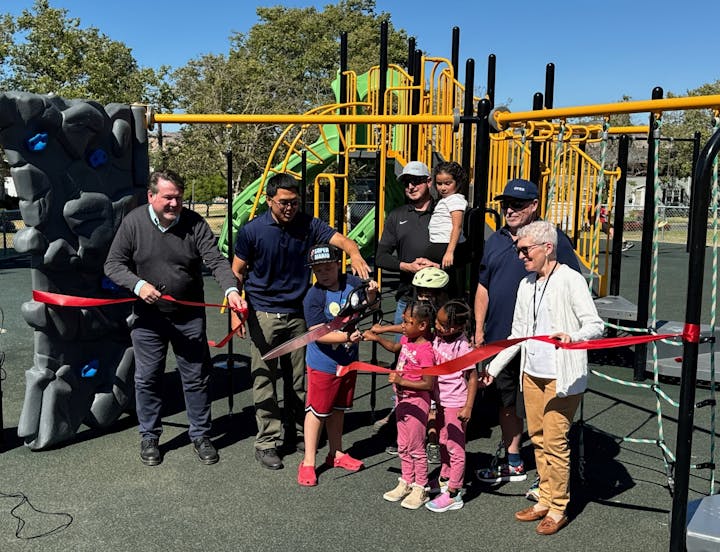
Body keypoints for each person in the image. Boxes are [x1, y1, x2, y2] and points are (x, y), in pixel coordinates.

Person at [104, 169, 244, 466]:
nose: (174, 203)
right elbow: (113, 264)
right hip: (148, 318)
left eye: (178, 198)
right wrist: (139, 286)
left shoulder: (194, 223)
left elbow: (216, 260)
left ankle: (201, 435)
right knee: (148, 378)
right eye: (168, 197)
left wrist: (231, 289)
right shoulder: (134, 223)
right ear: (151, 196)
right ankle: (150, 436)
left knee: (196, 377)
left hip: (188, 316)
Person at [232, 172, 369, 471]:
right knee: (264, 377)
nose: (290, 208)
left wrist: (355, 254)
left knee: (297, 380)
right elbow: (238, 270)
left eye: (294, 202)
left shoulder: (308, 224)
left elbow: (342, 240)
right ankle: (267, 441)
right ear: (269, 200)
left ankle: (298, 431)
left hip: (297, 313)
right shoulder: (253, 231)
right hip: (263, 313)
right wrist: (235, 310)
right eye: (283, 202)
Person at [481, 221, 604, 535]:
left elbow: (596, 326)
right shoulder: (526, 285)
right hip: (532, 374)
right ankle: (544, 499)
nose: (521, 256)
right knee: (537, 439)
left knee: (555, 441)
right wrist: (493, 369)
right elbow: (518, 335)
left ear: (547, 248)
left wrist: (573, 337)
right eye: (518, 250)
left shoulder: (571, 280)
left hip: (561, 376)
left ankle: (559, 506)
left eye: (525, 250)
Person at [474, 178, 581, 498]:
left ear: (534, 205)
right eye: (506, 203)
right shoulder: (494, 240)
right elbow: (483, 286)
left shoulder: (552, 240)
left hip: (541, 343)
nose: (509, 209)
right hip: (503, 338)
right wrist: (480, 330)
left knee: (545, 407)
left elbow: (571, 282)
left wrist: (567, 333)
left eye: (518, 204)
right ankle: (515, 460)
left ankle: (547, 477)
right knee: (507, 402)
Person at [297, 244, 378, 487]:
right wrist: (345, 337)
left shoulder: (352, 283)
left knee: (339, 408)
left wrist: (372, 294)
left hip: (347, 360)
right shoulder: (314, 296)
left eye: (328, 267)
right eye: (318, 269)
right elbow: (317, 334)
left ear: (338, 265)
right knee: (316, 411)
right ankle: (309, 461)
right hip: (324, 363)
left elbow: (369, 307)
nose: (324, 273)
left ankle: (337, 452)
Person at [374, 160, 438, 454]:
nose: (410, 186)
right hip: (407, 298)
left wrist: (437, 265)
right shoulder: (397, 215)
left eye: (416, 180)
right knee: (406, 359)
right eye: (406, 181)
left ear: (429, 181)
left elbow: (463, 250)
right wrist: (407, 266)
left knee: (437, 362)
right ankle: (404, 420)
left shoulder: (444, 211)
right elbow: (381, 255)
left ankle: (435, 428)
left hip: (438, 300)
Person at [363, 301, 436, 510]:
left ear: (422, 326)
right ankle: (406, 481)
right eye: (403, 321)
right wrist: (376, 338)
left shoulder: (426, 350)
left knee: (416, 447)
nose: (403, 326)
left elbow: (428, 383)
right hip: (403, 401)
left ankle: (421, 486)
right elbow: (395, 347)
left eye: (407, 322)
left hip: (416, 402)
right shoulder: (407, 339)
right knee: (403, 444)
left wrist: (402, 381)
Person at [425, 300, 478, 513]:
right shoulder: (439, 337)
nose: (436, 326)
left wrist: (468, 407)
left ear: (456, 327)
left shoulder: (463, 347)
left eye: (442, 324)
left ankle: (455, 492)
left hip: (456, 402)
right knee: (443, 441)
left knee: (456, 448)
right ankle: (445, 478)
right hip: (441, 401)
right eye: (437, 321)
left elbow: (472, 378)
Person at [426, 161, 468, 295]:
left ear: (457, 183)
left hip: (446, 247)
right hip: (439, 245)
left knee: (448, 289)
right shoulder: (445, 200)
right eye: (439, 184)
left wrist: (450, 251)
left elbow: (457, 226)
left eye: (447, 183)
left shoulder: (455, 199)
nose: (443, 188)